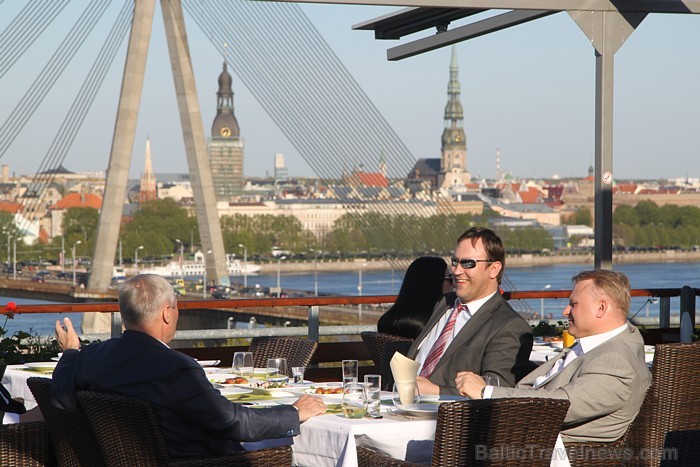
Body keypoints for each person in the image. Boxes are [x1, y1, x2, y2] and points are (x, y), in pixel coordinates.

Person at [51, 274, 326, 459]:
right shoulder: (176, 368)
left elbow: (60, 395)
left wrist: (72, 352)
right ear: (167, 313)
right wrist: (293, 413)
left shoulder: (93, 357)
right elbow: (232, 423)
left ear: (124, 314)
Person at [456, 269, 651, 446]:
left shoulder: (617, 361)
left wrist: (486, 393)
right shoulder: (597, 346)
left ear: (601, 308)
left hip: (537, 452)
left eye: (573, 304)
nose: (565, 311)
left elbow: (559, 405)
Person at [408, 227, 533, 396]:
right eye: (455, 262)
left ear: (494, 269)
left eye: (468, 263)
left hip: (448, 418)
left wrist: (435, 391)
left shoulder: (509, 326)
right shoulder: (446, 303)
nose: (457, 271)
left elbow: (498, 392)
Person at [377, 256, 452, 339]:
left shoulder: (386, 322)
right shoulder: (436, 328)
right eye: (450, 279)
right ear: (434, 285)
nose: (454, 284)